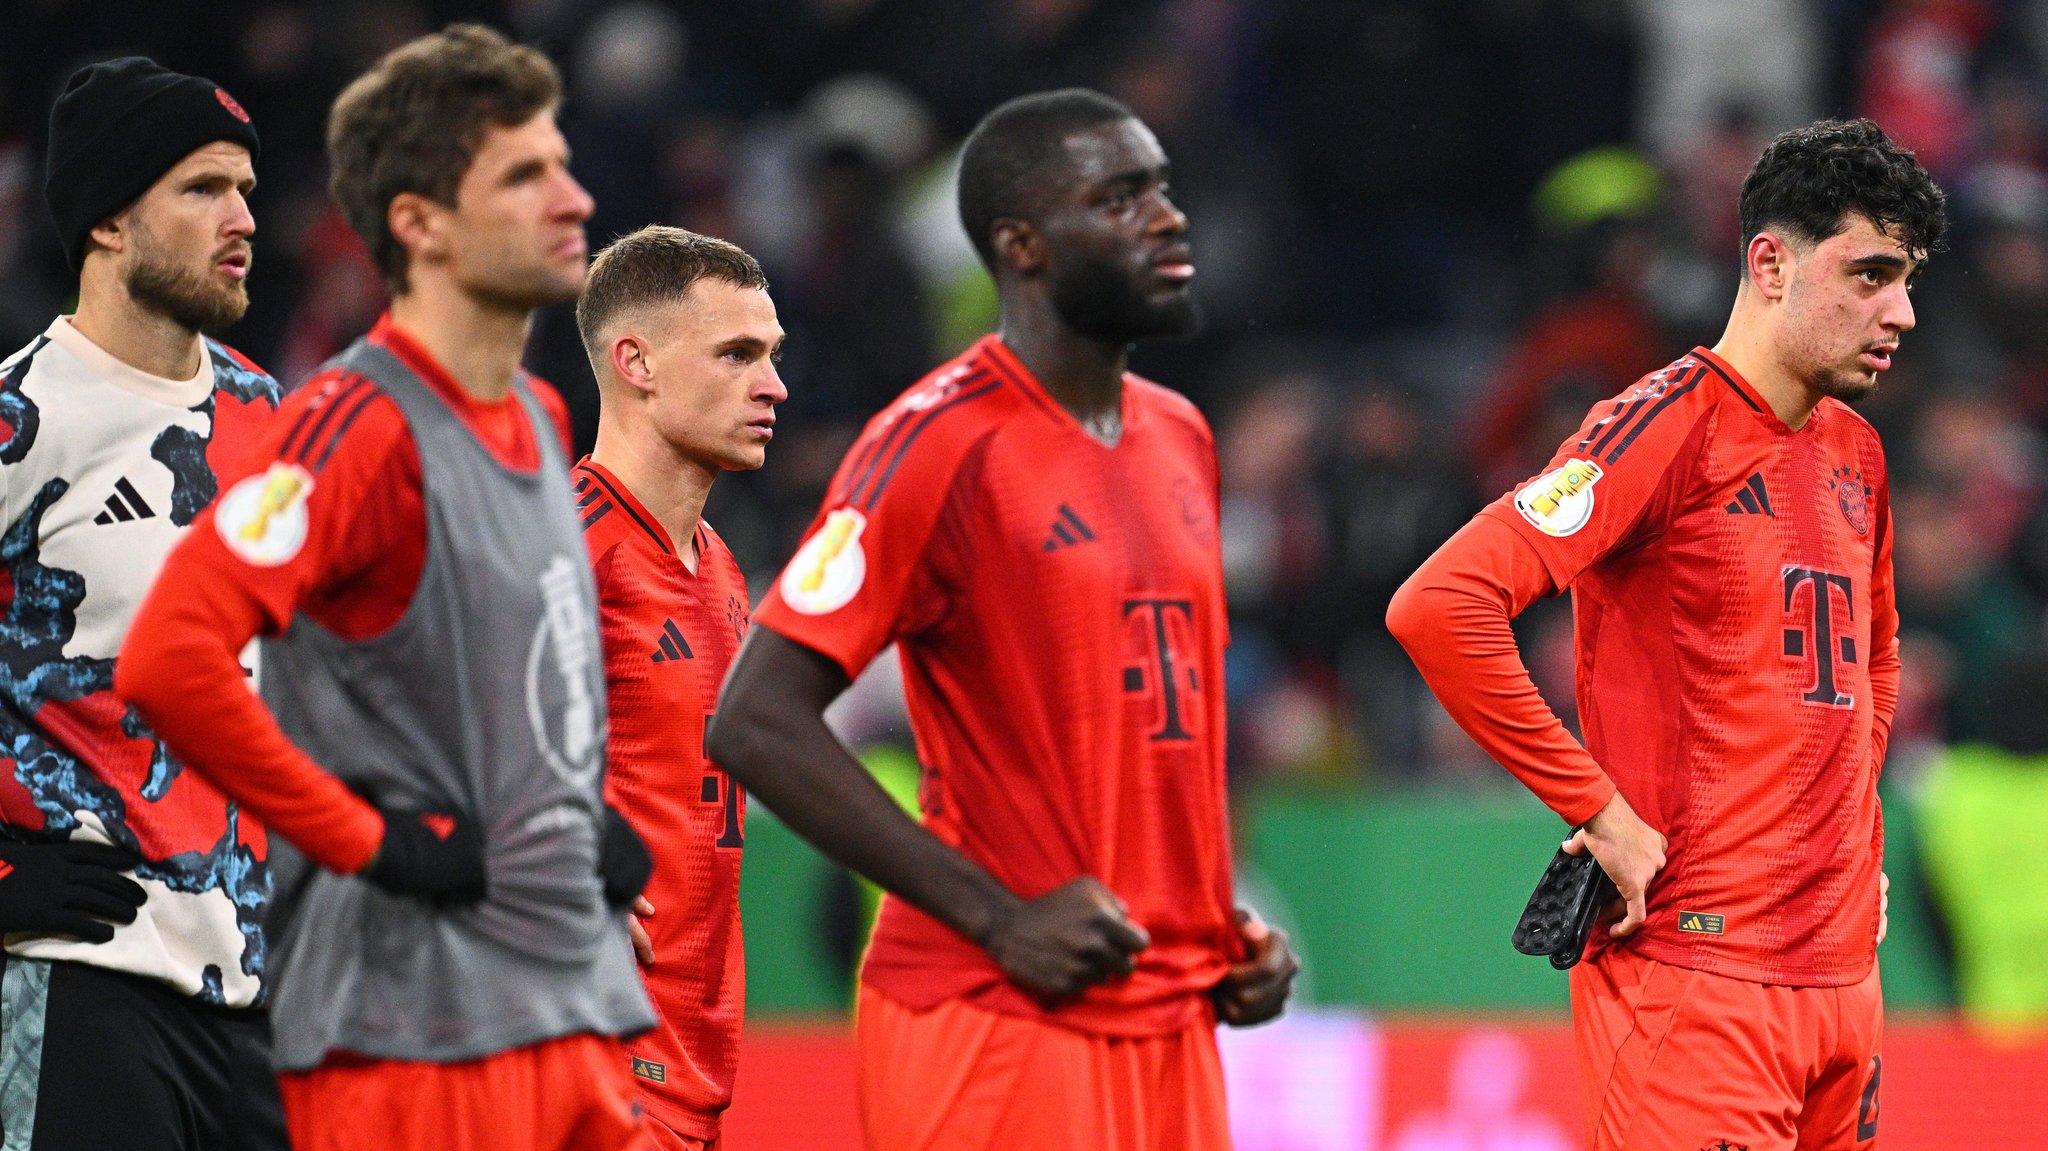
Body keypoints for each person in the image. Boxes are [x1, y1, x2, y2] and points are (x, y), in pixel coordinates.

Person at [708, 88, 1298, 1151]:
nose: (1165, 217)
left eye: (1159, 187)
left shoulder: (1181, 437)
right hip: (996, 1021)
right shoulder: (937, 443)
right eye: (1118, 199)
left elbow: (1158, 726)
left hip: (1169, 1018)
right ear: (1022, 247)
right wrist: (996, 916)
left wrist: (1214, 923)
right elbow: (754, 716)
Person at [117, 25, 653, 1151]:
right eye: (524, 174)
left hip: (570, 1001)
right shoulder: (352, 424)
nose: (573, 197)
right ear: (420, 223)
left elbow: (503, 686)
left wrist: (577, 814)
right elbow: (172, 653)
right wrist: (364, 836)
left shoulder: (547, 421)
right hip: (417, 1034)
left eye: (558, 162)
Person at [1387, 118, 1946, 1151]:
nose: (1899, 311)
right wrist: (1593, 806)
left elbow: (1871, 654)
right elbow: (1440, 603)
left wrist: (1846, 828)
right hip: (1696, 978)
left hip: (1841, 984)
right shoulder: (1657, 425)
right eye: (1868, 274)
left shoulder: (1855, 451)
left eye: (1905, 278)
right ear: (1769, 263)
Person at [0, 56, 284, 1150]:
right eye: (203, 188)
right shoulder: (23, 421)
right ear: (110, 220)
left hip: (262, 992)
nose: (242, 216)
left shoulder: (277, 422)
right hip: (80, 981)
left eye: (248, 189)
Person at [572, 225, 785, 1150]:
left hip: (695, 1065)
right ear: (637, 363)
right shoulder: (561, 545)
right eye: (737, 354)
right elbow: (407, 734)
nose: (772, 385)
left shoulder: (723, 569)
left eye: (773, 356)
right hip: (585, 1061)